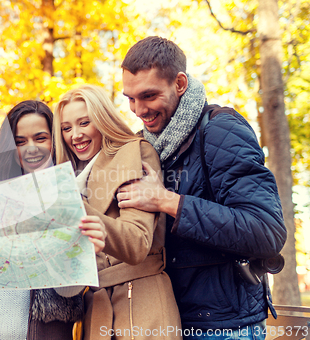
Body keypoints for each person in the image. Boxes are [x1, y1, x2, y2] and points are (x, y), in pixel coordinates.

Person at [117, 36, 287, 339]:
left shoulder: (221, 129)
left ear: (180, 83)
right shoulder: (145, 146)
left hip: (224, 328)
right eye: (130, 98)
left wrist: (168, 202)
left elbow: (267, 231)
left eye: (148, 96)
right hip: (167, 320)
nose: (138, 109)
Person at [0, 100, 107, 340]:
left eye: (41, 138)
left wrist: (79, 256)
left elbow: (68, 292)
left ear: (55, 140)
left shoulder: (72, 198)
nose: (31, 148)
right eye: (20, 141)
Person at [54, 85, 182, 340]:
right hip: (95, 309)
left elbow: (137, 242)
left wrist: (73, 207)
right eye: (67, 128)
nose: (75, 135)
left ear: (102, 120)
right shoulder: (67, 176)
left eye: (84, 123)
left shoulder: (134, 152)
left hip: (141, 303)